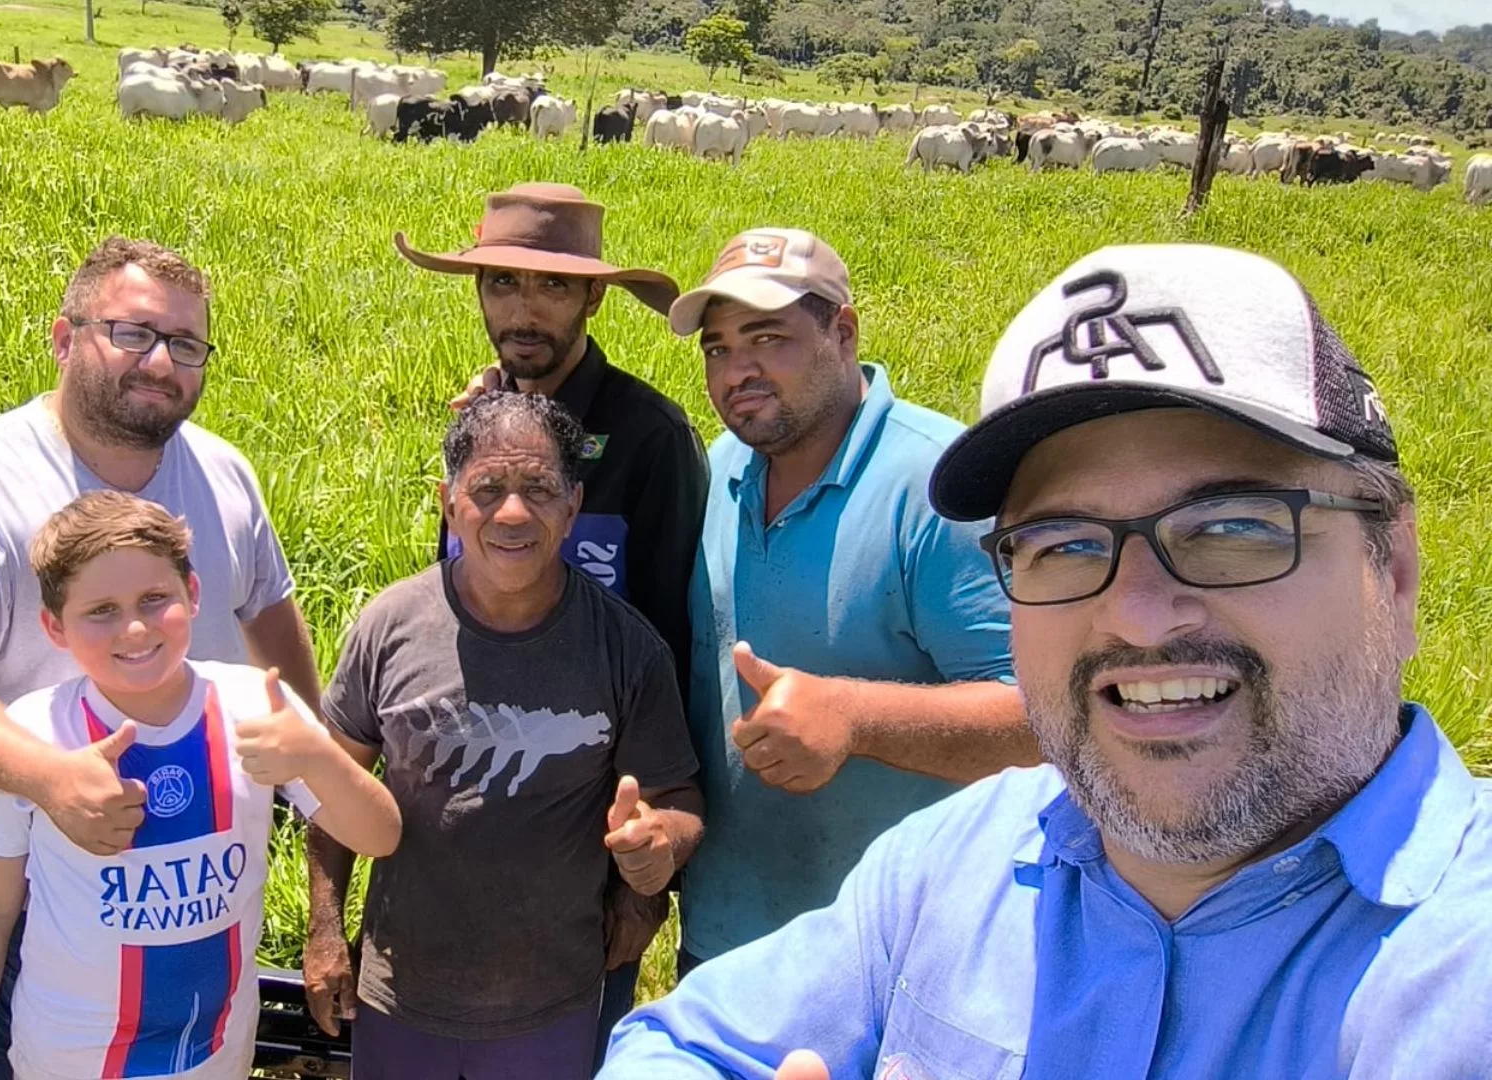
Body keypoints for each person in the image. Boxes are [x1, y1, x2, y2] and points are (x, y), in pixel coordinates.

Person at [601, 243, 1492, 1078]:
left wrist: (859, 718)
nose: (1139, 616)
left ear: (1398, 569)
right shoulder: (950, 867)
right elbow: (677, 1042)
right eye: (1064, 544)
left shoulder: (1460, 968)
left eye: (1232, 528)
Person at [0, 237, 324, 1076]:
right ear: (64, 337)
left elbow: (274, 625)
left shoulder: (224, 474)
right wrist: (48, 778)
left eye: (187, 345)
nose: (161, 362)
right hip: (47, 906)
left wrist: (312, 758)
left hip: (201, 898)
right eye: (133, 333)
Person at [388, 181, 709, 1060]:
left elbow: (670, 650)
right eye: (501, 285)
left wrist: (641, 889)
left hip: (583, 836)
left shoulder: (650, 438)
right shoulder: (481, 421)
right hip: (460, 811)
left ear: (593, 297)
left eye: (552, 288)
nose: (522, 310)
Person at [666, 228, 1035, 973]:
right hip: (728, 942)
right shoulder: (721, 466)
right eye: (718, 349)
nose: (740, 371)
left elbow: (1045, 723)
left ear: (843, 330)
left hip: (896, 959)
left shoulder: (938, 490)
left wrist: (856, 720)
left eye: (769, 338)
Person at [305, 393, 704, 1080]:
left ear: (573, 506)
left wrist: (654, 863)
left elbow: (678, 796)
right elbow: (324, 789)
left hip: (551, 1001)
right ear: (448, 502)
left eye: (539, 489)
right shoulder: (388, 625)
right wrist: (323, 931)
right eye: (487, 489)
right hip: (400, 994)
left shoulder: (628, 651)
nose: (513, 513)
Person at [0, 491, 399, 1079]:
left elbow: (381, 835)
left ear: (194, 594)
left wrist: (316, 756)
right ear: (54, 628)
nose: (134, 627)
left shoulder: (252, 705)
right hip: (68, 1056)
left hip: (215, 1051)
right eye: (101, 610)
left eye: (155, 599)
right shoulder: (32, 734)